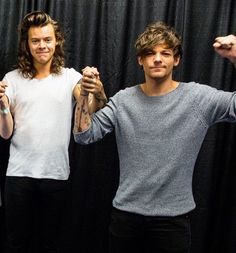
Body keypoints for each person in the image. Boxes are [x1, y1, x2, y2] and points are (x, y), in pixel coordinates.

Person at [73, 21, 236, 253]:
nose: (157, 59)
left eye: (165, 53)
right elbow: (84, 136)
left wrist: (235, 57)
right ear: (140, 60)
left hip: (173, 222)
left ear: (176, 60)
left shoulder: (198, 98)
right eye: (149, 53)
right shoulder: (123, 100)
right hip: (125, 219)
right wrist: (85, 94)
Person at [0, 11, 107, 253]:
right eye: (35, 41)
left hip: (56, 175)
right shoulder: (12, 79)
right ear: (26, 44)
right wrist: (3, 106)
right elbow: (5, 133)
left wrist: (93, 88)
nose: (42, 46)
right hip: (18, 175)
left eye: (47, 39)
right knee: (16, 243)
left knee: (51, 244)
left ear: (56, 40)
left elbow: (88, 107)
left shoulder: (70, 77)